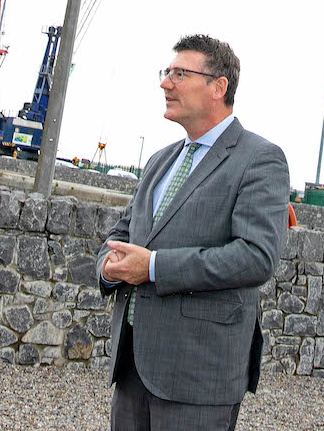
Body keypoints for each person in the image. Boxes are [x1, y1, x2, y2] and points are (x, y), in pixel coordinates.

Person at [97, 34, 290, 431]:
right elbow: (120, 234)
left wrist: (153, 268)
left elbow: (256, 256)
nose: (166, 83)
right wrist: (108, 268)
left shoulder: (260, 159)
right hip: (133, 369)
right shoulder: (159, 160)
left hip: (198, 378)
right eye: (167, 72)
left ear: (219, 87)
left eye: (180, 74)